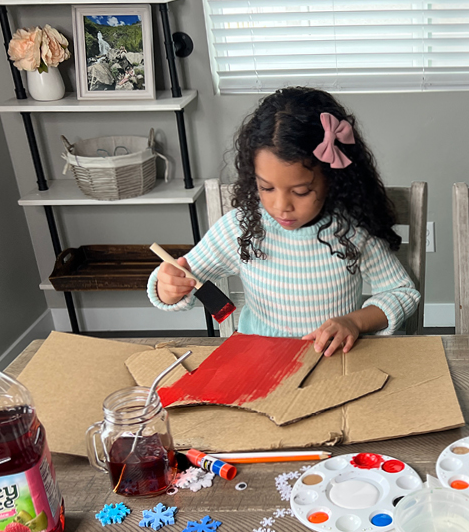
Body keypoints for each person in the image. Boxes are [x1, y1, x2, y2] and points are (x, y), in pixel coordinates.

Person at [148, 87, 420, 356]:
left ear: (332, 180)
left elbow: (402, 293)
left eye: (301, 192)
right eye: (266, 188)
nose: (281, 206)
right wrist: (168, 288)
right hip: (260, 360)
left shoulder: (351, 230)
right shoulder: (242, 228)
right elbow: (183, 276)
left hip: (331, 359)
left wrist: (354, 322)